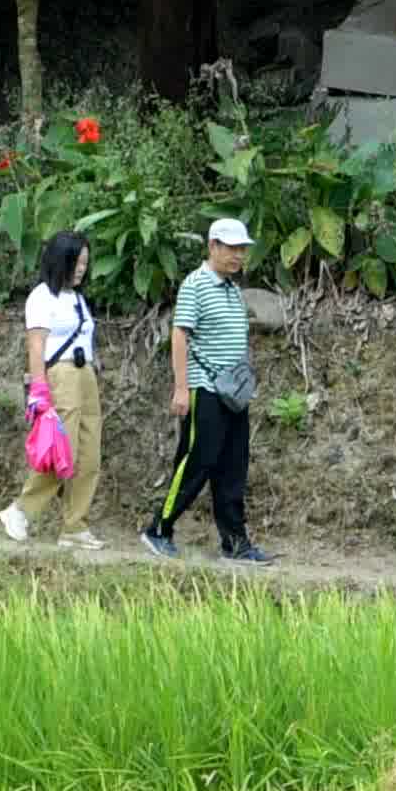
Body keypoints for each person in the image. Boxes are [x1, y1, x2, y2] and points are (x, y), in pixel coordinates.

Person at [150, 216, 266, 564]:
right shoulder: (196, 285)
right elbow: (180, 335)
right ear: (213, 246)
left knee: (234, 466)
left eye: (242, 249)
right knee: (196, 461)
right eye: (231, 248)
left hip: (233, 392)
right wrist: (181, 388)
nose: (238, 256)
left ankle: (235, 543)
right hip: (205, 389)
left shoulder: (231, 288)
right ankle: (158, 529)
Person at [11, 227, 98, 547]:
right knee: (64, 450)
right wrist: (39, 389)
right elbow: (36, 346)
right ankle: (21, 510)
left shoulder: (77, 298)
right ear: (60, 261)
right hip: (60, 375)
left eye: (85, 264)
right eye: (76, 262)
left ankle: (75, 526)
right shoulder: (41, 297)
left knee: (90, 455)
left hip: (85, 373)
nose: (81, 269)